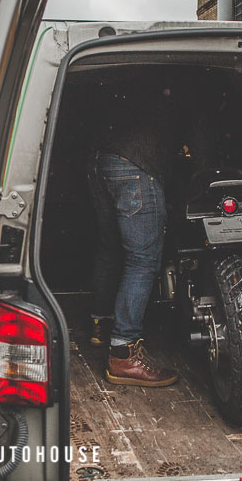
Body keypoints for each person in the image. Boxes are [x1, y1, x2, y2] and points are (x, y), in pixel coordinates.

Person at [86, 72, 179, 388]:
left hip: (102, 161)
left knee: (109, 247)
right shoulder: (176, 83)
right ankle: (124, 353)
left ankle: (100, 326)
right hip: (136, 165)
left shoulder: (123, 83)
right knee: (142, 260)